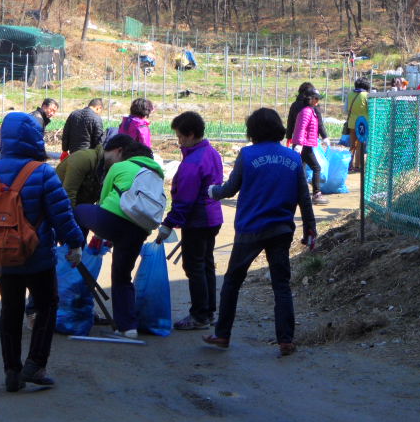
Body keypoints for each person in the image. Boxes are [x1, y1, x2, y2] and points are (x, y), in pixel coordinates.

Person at [0, 112, 85, 392]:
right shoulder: (43, 172)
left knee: (10, 310)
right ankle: (35, 364)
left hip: (2, 257)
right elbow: (61, 214)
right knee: (46, 305)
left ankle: (11, 371)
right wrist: (75, 242)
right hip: (38, 257)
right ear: (35, 138)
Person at [203, 108, 316, 357]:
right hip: (281, 229)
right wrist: (310, 228)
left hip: (250, 229)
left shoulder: (247, 155)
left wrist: (212, 192)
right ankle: (286, 340)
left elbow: (230, 189)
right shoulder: (294, 158)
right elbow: (303, 197)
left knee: (232, 282)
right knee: (281, 285)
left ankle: (222, 334)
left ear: (252, 131)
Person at [74, 140, 164, 338]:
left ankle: (74, 249)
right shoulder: (157, 174)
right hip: (139, 230)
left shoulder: (121, 166)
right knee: (122, 276)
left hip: (112, 219)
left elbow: (105, 200)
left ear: (122, 152)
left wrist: (99, 233)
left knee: (78, 211)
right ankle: (128, 327)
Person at [155, 112, 224, 330]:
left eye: (180, 137)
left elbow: (185, 199)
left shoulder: (193, 162)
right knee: (206, 265)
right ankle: (208, 311)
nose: (179, 141)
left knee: (194, 266)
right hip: (212, 217)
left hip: (198, 220)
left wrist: (169, 223)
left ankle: (199, 316)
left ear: (191, 134)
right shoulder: (211, 153)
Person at [56, 133, 133, 210]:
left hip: (78, 210)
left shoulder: (108, 169)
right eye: (125, 160)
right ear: (119, 151)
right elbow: (68, 194)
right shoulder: (84, 158)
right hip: (56, 207)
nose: (124, 165)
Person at [292, 90, 330, 206]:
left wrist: (324, 138)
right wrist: (299, 144)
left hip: (305, 144)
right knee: (316, 168)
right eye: (316, 99)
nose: (318, 101)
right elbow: (301, 128)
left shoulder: (310, 111)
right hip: (304, 145)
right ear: (310, 99)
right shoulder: (307, 112)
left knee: (300, 170)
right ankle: (316, 194)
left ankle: (299, 194)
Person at [344, 78, 370, 173]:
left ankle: (349, 165)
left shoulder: (350, 94)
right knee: (360, 145)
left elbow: (345, 110)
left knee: (352, 145)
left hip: (351, 123)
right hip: (363, 124)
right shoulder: (366, 95)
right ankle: (357, 166)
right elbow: (370, 109)